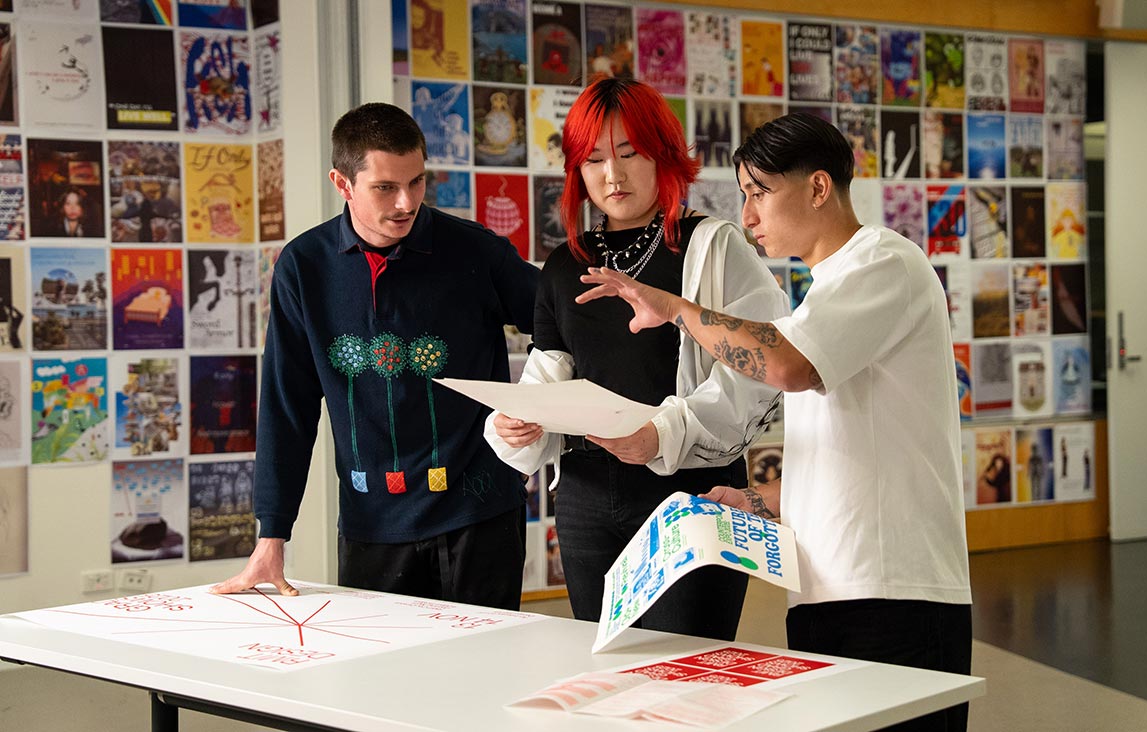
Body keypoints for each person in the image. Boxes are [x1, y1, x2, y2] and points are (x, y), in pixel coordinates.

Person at [577, 112, 972, 731]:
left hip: (895, 595)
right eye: (742, 196)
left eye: (759, 192)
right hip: (829, 588)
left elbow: (784, 366)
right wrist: (759, 504)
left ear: (818, 188)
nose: (748, 215)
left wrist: (677, 307)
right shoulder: (827, 292)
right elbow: (851, 457)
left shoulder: (883, 263)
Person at [485, 78, 788, 640]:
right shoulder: (563, 265)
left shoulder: (713, 246)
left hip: (692, 494)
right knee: (606, 668)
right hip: (585, 501)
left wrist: (662, 433)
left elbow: (761, 367)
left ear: (663, 155)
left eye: (629, 154)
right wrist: (518, 420)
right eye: (594, 159)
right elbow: (549, 373)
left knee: (686, 672)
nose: (613, 175)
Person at [213, 103, 540, 610]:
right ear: (342, 184)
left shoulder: (474, 251)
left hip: (479, 513)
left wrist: (535, 401)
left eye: (416, 182)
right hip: (372, 522)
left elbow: (561, 324)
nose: (406, 202)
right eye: (385, 187)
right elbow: (286, 405)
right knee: (379, 680)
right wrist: (271, 535)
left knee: (484, 680)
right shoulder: (304, 267)